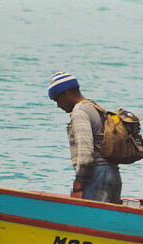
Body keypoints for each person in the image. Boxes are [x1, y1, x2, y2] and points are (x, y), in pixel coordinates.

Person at [48, 72, 121, 203]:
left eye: (57, 100)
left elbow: (86, 154)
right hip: (112, 174)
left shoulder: (79, 112)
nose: (58, 105)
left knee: (94, 218)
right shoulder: (94, 107)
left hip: (96, 175)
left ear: (65, 93)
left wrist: (78, 182)